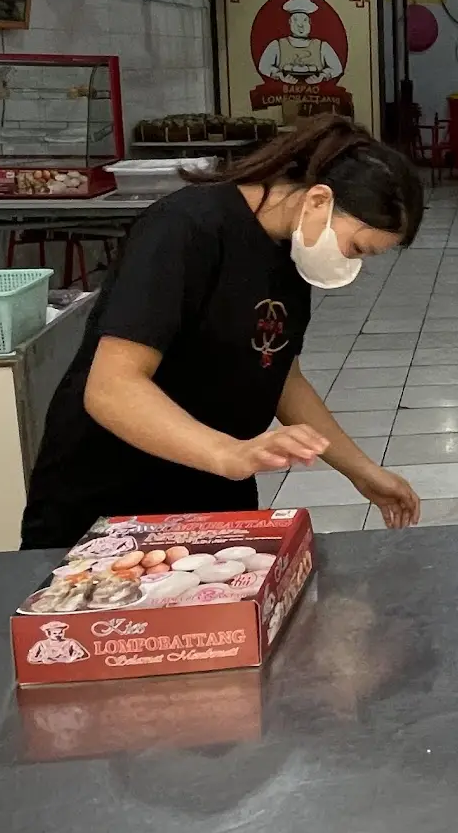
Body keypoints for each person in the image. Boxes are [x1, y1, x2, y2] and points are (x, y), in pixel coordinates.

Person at [21, 115, 424, 549]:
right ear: (318, 201)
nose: (351, 264)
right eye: (357, 248)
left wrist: (362, 471)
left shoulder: (288, 252)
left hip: (211, 488)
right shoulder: (186, 228)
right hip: (112, 494)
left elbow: (279, 373)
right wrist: (227, 453)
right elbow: (111, 388)